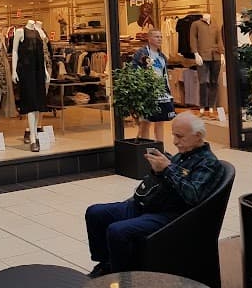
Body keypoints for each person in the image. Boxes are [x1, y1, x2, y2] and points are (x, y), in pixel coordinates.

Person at [85, 112, 223, 277]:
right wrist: (158, 169)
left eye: (180, 136)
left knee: (117, 231)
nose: (175, 141)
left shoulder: (208, 163)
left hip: (172, 215)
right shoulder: (182, 155)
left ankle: (121, 278)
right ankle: (106, 264)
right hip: (150, 204)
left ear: (198, 136)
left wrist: (167, 168)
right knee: (94, 213)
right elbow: (166, 179)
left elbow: (192, 195)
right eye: (174, 135)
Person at [131, 28, 174, 142]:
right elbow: (134, 69)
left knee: (160, 120)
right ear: (149, 39)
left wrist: (168, 91)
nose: (159, 39)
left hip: (161, 90)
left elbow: (164, 74)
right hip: (147, 90)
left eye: (160, 37)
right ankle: (145, 145)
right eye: (156, 36)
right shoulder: (141, 53)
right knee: (146, 120)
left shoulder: (162, 56)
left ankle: (160, 145)